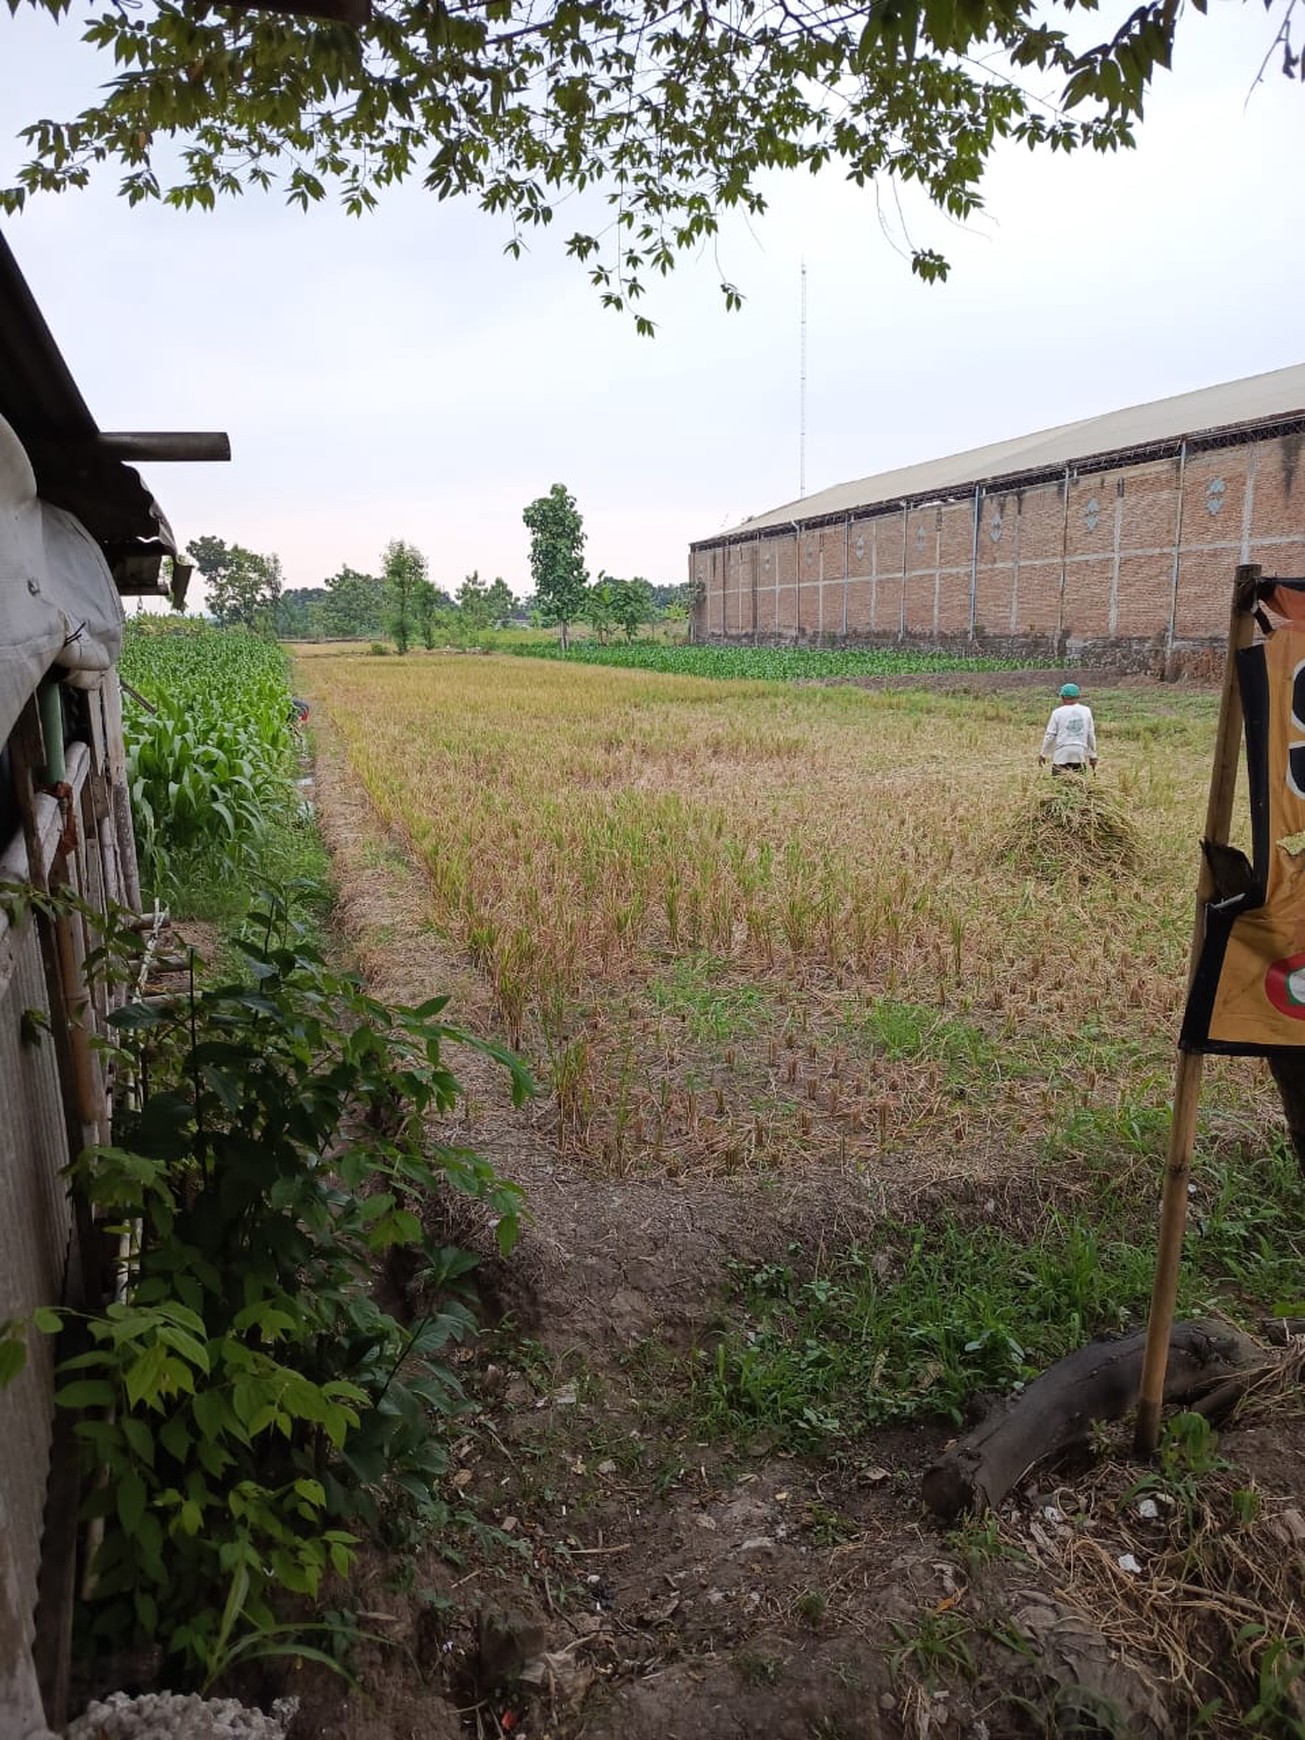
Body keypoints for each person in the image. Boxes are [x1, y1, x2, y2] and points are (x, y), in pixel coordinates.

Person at [1039, 682, 1097, 775]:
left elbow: (1050, 735)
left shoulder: (1057, 713)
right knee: (1079, 784)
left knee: (1059, 785)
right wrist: (1093, 755)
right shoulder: (1086, 711)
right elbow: (1090, 734)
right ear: (1078, 697)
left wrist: (1043, 753)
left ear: (1062, 697)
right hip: (1079, 753)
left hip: (1062, 754)